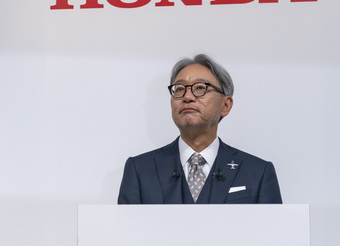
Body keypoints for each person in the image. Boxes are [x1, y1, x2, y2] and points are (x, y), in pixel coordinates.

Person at [117, 54, 282, 204]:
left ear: (225, 105)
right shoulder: (140, 170)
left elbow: (274, 234)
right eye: (180, 89)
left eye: (200, 88)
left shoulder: (258, 172)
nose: (187, 97)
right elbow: (125, 234)